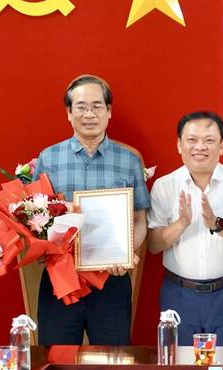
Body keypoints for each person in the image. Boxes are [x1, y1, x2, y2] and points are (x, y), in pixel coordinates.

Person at [34, 74, 150, 345]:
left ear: (109, 112)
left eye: (97, 106)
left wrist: (126, 253)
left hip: (111, 280)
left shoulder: (129, 160)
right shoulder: (48, 158)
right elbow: (35, 219)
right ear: (68, 112)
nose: (89, 114)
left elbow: (141, 219)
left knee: (113, 361)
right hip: (60, 281)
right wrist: (43, 246)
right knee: (57, 360)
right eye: (81, 106)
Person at [148, 111, 223, 346]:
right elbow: (154, 245)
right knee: (180, 364)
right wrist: (180, 224)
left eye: (209, 140)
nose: (200, 147)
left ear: (221, 146)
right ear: (179, 145)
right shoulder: (164, 186)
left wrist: (217, 225)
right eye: (192, 140)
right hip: (179, 294)